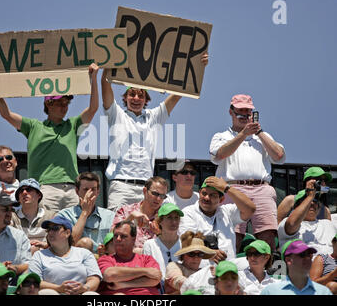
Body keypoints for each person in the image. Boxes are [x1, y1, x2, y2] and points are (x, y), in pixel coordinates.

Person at [101, 54, 208, 211]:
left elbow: (179, 92)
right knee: (118, 232)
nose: (136, 98)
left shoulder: (154, 117)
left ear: (146, 99)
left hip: (147, 189)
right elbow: (105, 86)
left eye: (141, 95)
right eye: (132, 94)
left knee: (145, 233)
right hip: (120, 187)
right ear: (125, 98)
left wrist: (198, 67)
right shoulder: (117, 115)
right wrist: (107, 64)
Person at [0, 63, 100, 212]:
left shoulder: (73, 126)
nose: (64, 106)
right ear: (48, 103)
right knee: (49, 231)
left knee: (73, 233)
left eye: (66, 103)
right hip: (45, 189)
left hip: (72, 189)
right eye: (60, 102)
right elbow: (6, 114)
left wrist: (94, 78)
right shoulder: (33, 126)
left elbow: (93, 108)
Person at [209, 94, 286, 253]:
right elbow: (219, 155)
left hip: (262, 188)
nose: (244, 116)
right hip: (233, 188)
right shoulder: (221, 136)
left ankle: (268, 271)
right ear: (231, 112)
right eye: (240, 112)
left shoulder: (263, 137)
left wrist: (260, 133)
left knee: (267, 235)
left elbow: (279, 156)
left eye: (248, 112)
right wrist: (243, 134)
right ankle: (230, 270)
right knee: (233, 234)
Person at [179, 176, 256, 262]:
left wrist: (227, 188)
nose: (207, 198)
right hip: (200, 270)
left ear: (222, 199)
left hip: (228, 269)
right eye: (204, 193)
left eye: (213, 195)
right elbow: (187, 242)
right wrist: (209, 253)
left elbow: (250, 209)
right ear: (199, 193)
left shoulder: (227, 211)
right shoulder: (188, 212)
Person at [29, 215, 102, 294]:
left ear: (67, 233)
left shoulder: (84, 253)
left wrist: (84, 288)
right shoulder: (39, 255)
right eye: (48, 229)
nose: (50, 232)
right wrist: (59, 288)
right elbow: (35, 281)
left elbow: (94, 278)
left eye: (55, 228)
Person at [97, 221, 162, 295]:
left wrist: (123, 284)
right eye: (115, 236)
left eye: (123, 236)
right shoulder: (105, 259)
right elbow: (110, 275)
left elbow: (155, 278)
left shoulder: (147, 259)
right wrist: (145, 271)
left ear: (133, 239)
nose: (118, 239)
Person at [57, 172, 114, 252]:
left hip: (103, 259)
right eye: (86, 189)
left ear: (98, 192)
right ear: (77, 191)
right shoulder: (65, 215)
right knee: (85, 243)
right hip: (77, 260)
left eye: (93, 189)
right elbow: (70, 242)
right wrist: (84, 212)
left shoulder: (110, 216)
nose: (89, 194)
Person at [112, 176, 168, 253]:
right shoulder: (125, 211)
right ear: (145, 191)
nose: (158, 199)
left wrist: (159, 234)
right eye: (155, 194)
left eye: (162, 196)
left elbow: (171, 245)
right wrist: (129, 219)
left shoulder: (165, 217)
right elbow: (111, 237)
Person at [277, 184, 336, 255]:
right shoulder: (286, 222)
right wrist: (310, 197)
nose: (312, 203)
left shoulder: (328, 224)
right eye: (306, 200)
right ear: (297, 206)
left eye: (315, 200)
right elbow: (291, 224)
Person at [261, 240, 332, 295]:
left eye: (309, 255)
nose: (307, 258)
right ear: (288, 260)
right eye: (302, 254)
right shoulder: (270, 292)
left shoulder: (324, 292)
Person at [11, 178, 55, 254]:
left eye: (29, 189)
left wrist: (46, 245)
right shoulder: (12, 217)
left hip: (48, 258)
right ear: (18, 199)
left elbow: (61, 241)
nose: (24, 192)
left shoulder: (51, 216)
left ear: (39, 195)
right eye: (21, 191)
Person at [142, 203, 183, 281]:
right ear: (160, 221)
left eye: (176, 218)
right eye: (169, 218)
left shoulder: (184, 244)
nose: (174, 221)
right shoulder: (150, 245)